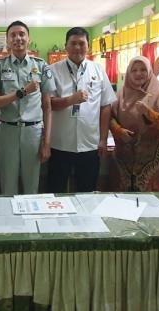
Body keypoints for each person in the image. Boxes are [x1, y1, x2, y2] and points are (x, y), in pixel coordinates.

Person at [0, 21, 55, 194]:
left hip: (33, 132)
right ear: (8, 40)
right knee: (8, 185)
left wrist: (47, 142)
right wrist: (21, 92)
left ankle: (30, 213)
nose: (18, 38)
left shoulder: (41, 66)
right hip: (7, 131)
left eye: (22, 34)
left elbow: (47, 107)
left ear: (28, 38)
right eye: (13, 35)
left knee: (32, 185)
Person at [48, 27, 116, 193]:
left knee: (87, 192)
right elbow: (48, 104)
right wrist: (70, 100)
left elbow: (106, 106)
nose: (77, 47)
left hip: (90, 144)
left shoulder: (98, 70)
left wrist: (103, 139)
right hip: (60, 144)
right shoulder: (52, 70)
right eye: (73, 43)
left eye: (81, 43)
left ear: (88, 47)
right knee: (56, 191)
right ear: (66, 46)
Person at [109, 56, 159, 192]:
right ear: (129, 73)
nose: (139, 73)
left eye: (143, 69)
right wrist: (119, 131)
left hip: (152, 158)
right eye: (134, 70)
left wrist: (149, 113)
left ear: (149, 71)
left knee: (152, 200)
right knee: (123, 199)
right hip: (123, 157)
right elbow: (110, 118)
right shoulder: (121, 94)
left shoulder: (158, 93)